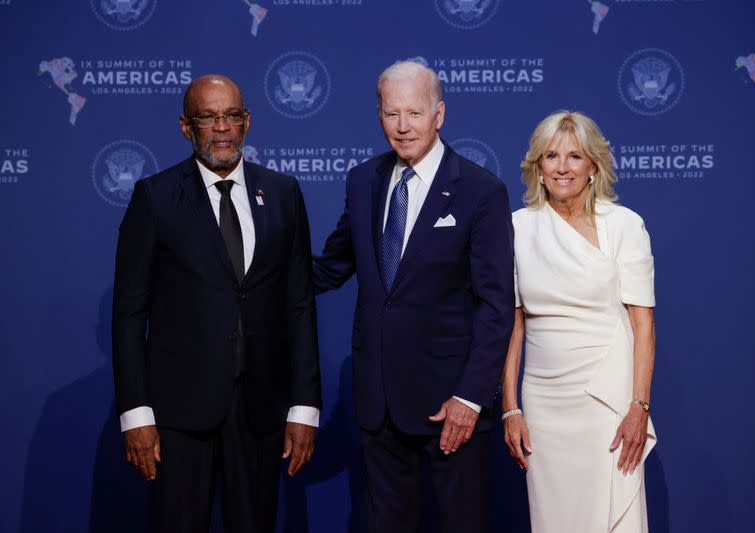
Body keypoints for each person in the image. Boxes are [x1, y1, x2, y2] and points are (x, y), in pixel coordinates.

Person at [112, 74, 322, 533]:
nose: (221, 128)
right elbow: (129, 315)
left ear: (247, 122)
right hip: (178, 415)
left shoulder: (283, 193)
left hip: (261, 408)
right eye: (208, 117)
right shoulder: (156, 197)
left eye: (230, 116)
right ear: (186, 127)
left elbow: (299, 305)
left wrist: (304, 406)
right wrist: (135, 413)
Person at [313, 60, 514, 533]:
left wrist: (470, 397)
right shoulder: (363, 180)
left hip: (452, 406)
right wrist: (250, 270)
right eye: (391, 114)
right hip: (379, 402)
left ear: (439, 114)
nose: (402, 127)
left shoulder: (481, 191)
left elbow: (496, 304)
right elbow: (333, 266)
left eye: (415, 113)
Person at [502, 111, 657, 532]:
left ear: (593, 165)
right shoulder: (516, 228)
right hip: (544, 405)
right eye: (551, 156)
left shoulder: (624, 225)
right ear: (538, 165)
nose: (563, 167)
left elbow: (643, 324)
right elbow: (512, 328)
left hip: (607, 400)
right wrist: (510, 408)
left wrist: (639, 407)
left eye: (575, 156)